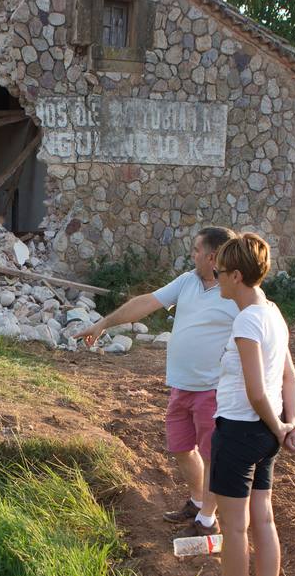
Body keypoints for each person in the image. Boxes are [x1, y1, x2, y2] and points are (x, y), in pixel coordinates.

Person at [75, 227, 239, 532]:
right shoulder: (188, 281)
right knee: (180, 447)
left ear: (212, 256)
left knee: (212, 456)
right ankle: (199, 500)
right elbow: (146, 302)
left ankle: (208, 519)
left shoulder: (235, 292)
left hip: (214, 390)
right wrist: (103, 323)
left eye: (195, 250)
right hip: (181, 386)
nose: (192, 255)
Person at [185, 232, 295, 576]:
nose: (215, 277)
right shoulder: (272, 311)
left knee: (235, 530)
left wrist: (279, 425)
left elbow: (256, 392)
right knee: (264, 522)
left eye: (219, 272)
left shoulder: (247, 320)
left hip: (239, 431)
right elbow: (289, 378)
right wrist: (287, 426)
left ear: (237, 275)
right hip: (265, 436)